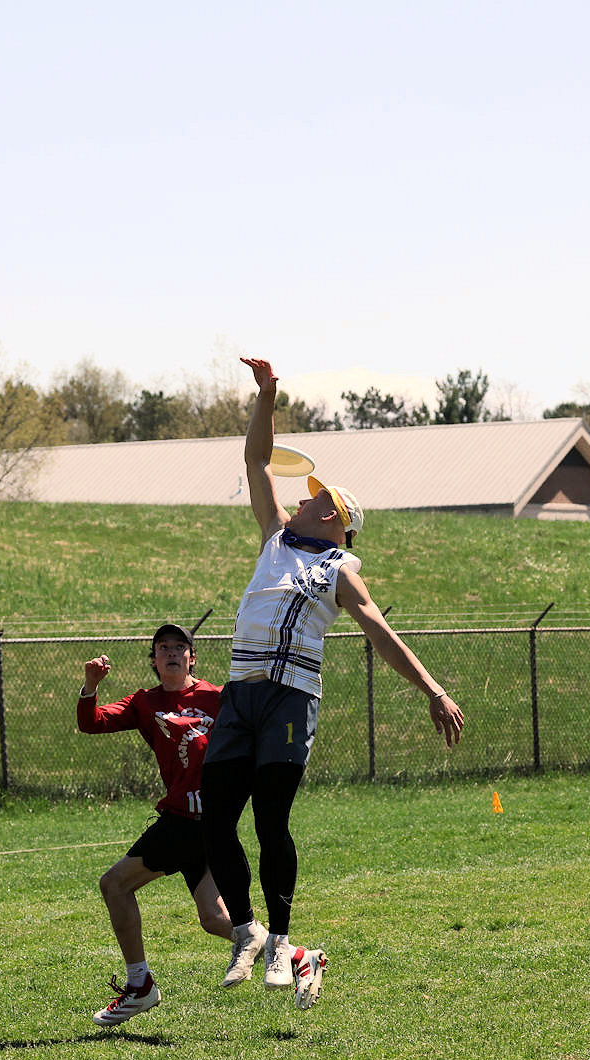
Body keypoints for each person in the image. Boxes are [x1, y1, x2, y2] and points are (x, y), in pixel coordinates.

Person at [201, 356, 465, 1011]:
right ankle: (246, 932)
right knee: (214, 823)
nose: (301, 496)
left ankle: (284, 942)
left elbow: (381, 635)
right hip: (240, 694)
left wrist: (433, 690)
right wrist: (266, 397)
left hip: (291, 699)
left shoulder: (341, 569)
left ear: (335, 520)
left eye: (315, 497)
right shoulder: (273, 538)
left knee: (270, 821)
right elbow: (256, 462)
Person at [77, 623, 237, 1026]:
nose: (171, 652)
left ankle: (139, 985)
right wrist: (90, 685)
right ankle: (297, 956)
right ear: (153, 660)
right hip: (190, 822)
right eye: (162, 647)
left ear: (192, 657)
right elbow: (91, 722)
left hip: (194, 821)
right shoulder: (144, 703)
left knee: (114, 884)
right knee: (215, 919)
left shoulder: (218, 697)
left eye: (179, 647)